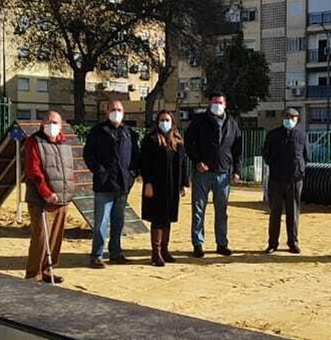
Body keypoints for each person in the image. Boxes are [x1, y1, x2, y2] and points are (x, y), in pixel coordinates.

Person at [185, 92, 242, 256]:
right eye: (215, 102)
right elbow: (188, 143)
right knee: (198, 209)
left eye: (220, 102)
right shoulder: (199, 121)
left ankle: (222, 243)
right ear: (210, 103)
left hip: (223, 173)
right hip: (202, 172)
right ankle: (198, 243)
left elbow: (237, 148)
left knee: (222, 210)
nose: (217, 104)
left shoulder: (232, 123)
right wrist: (196, 161)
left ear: (225, 104)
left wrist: (237, 170)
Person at [22, 109, 74, 283]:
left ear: (61, 126)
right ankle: (33, 273)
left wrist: (68, 192)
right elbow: (33, 170)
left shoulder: (65, 143)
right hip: (41, 199)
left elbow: (68, 170)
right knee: (41, 237)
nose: (52, 125)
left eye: (55, 122)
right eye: (49, 122)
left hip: (62, 198)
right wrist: (46, 192)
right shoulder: (34, 142)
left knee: (56, 237)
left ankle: (47, 269)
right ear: (42, 124)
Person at [83, 101, 136, 268]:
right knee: (101, 222)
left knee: (118, 221)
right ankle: (97, 255)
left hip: (122, 185)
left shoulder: (129, 132)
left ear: (124, 112)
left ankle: (116, 252)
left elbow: (135, 157)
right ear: (107, 112)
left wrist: (131, 175)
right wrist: (100, 171)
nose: (116, 112)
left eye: (119, 110)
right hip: (104, 185)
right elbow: (88, 154)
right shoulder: (97, 131)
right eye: (113, 109)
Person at [137, 109, 189, 266]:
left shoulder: (178, 141)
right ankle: (156, 252)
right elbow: (144, 164)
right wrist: (148, 183)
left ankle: (165, 250)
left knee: (167, 219)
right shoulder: (151, 140)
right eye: (162, 120)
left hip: (172, 186)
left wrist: (184, 184)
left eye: (167, 120)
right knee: (157, 218)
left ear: (173, 122)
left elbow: (183, 164)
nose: (165, 123)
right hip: (155, 186)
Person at [262, 106, 306, 253]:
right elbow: (266, 154)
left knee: (293, 213)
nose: (289, 120)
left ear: (297, 119)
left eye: (292, 118)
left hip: (295, 180)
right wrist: (275, 165)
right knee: (275, 212)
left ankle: (293, 242)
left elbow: (306, 155)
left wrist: (299, 170)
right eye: (286, 117)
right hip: (276, 179)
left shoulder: (301, 135)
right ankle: (272, 243)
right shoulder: (273, 135)